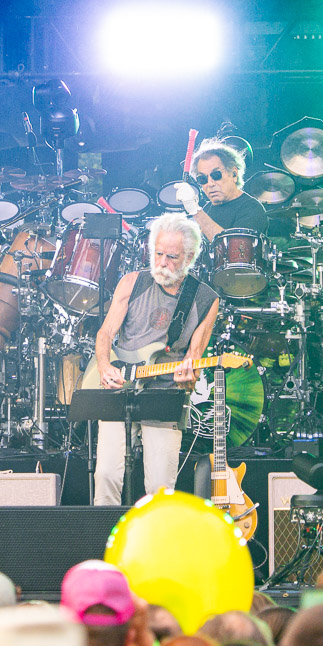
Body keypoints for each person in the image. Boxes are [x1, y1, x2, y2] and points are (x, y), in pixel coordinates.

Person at [91, 213, 220, 505]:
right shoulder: (132, 282)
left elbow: (194, 358)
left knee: (160, 488)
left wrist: (189, 379)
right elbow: (104, 333)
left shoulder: (205, 299)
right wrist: (104, 365)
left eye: (172, 257)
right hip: (119, 388)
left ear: (189, 257)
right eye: (157, 253)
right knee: (106, 476)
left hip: (165, 392)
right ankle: (103, 544)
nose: (162, 262)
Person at [174, 139, 269, 241]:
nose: (210, 183)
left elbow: (234, 251)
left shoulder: (251, 208)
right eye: (202, 179)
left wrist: (196, 212)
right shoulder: (207, 209)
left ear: (234, 174)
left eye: (216, 175)